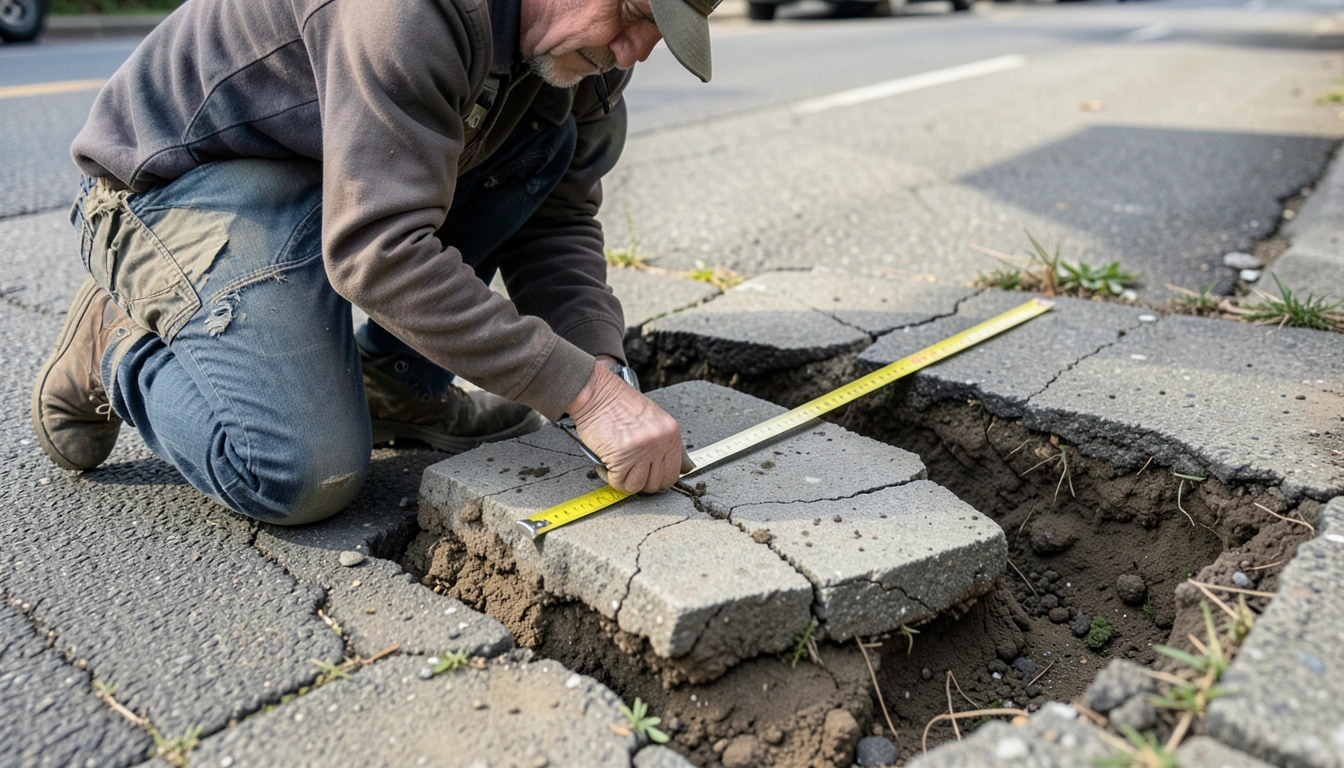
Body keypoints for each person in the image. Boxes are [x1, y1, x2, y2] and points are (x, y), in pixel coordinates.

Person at [30, 0, 720, 525]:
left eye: (662, 32)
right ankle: (118, 342)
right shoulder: (405, 15)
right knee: (296, 472)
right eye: (632, 13)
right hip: (186, 184)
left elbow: (557, 219)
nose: (636, 51)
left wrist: (602, 366)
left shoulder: (585, 58)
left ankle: (395, 380)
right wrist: (586, 397)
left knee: (546, 143)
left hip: (331, 177)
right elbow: (378, 255)